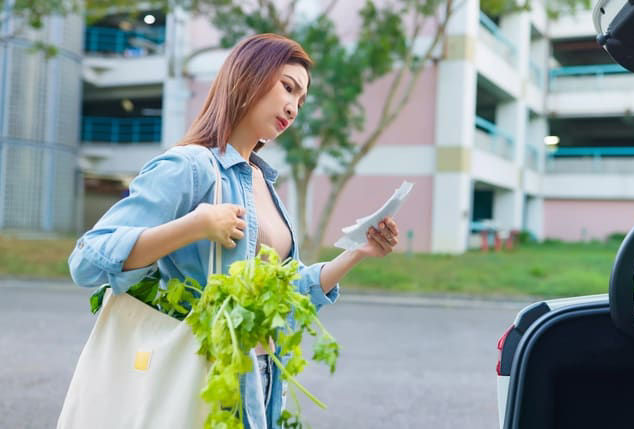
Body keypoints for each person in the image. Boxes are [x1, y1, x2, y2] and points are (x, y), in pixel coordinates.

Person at [68, 33, 400, 428]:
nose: (293, 107)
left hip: (257, 378)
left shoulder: (264, 183)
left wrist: (356, 253)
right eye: (287, 87)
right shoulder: (189, 167)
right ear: (249, 77)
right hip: (192, 379)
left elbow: (283, 293)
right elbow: (88, 260)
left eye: (301, 100)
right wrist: (195, 226)